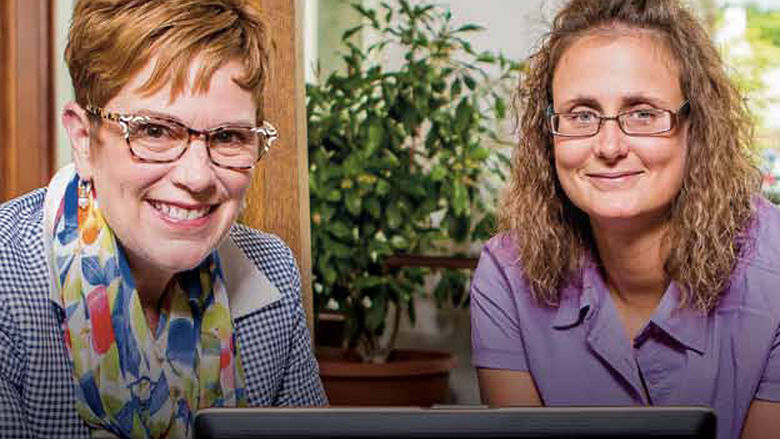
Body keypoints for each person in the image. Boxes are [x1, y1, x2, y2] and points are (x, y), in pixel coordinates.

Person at [0, 0, 326, 437]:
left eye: (228, 137)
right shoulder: (6, 281)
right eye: (154, 130)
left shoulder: (273, 272)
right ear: (83, 138)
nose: (197, 178)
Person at [470, 1, 780, 438]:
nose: (609, 145)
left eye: (643, 114)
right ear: (548, 132)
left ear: (696, 127)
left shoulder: (776, 270)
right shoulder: (505, 273)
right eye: (581, 115)